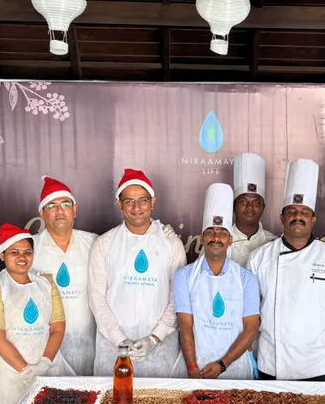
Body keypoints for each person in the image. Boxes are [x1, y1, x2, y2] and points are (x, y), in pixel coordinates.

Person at [247, 158, 325, 382]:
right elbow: (249, 313)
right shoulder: (259, 257)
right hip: (270, 363)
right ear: (281, 218)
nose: (298, 217)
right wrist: (247, 353)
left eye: (304, 212)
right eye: (292, 211)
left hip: (315, 366)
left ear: (313, 219)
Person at [88, 169, 187, 377]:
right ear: (119, 203)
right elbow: (96, 297)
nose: (136, 208)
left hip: (161, 348)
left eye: (142, 200)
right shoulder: (105, 243)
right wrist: (118, 340)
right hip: (113, 350)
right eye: (129, 201)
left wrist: (154, 338)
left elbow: (178, 297)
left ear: (153, 202)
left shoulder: (171, 244)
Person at [175, 183, 261, 379]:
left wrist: (223, 364)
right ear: (202, 238)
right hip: (194, 368)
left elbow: (251, 328)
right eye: (210, 232)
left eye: (222, 233)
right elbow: (185, 326)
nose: (216, 237)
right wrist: (192, 369)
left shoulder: (246, 279)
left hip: (236, 369)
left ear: (230, 240)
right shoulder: (184, 276)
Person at [0, 223, 72, 404]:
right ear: (2, 255)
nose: (22, 257)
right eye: (14, 252)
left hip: (48, 367)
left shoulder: (47, 283)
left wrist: (44, 363)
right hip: (11, 374)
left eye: (27, 252)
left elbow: (58, 328)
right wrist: (27, 371)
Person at [30, 177, 99, 376]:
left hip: (89, 346)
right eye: (52, 205)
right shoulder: (29, 249)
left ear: (74, 210)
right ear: (42, 213)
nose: (60, 211)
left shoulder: (95, 243)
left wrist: (161, 233)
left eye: (65, 204)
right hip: (46, 351)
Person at [228, 152, 276, 266]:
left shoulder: (273, 243)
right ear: (234, 206)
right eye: (243, 201)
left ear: (263, 208)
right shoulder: (218, 241)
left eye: (256, 202)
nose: (250, 207)